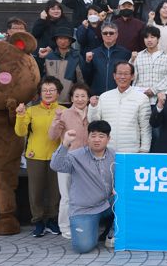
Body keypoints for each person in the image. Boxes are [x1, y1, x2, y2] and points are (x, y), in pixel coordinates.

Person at [50, 120, 116, 253]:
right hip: (84, 209)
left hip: (107, 204)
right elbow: (56, 165)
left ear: (108, 139)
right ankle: (91, 227)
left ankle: (112, 232)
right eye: (93, 136)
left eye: (101, 136)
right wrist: (65, 143)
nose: (97, 139)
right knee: (83, 247)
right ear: (88, 137)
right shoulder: (76, 156)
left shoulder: (115, 156)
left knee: (124, 199)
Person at [15, 76, 65, 237]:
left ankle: (52, 220)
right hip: (34, 155)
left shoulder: (64, 111)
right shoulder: (31, 110)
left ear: (58, 93)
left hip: (57, 157)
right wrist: (20, 115)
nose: (48, 93)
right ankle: (38, 221)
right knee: (35, 191)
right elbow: (20, 132)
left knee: (55, 191)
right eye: (45, 90)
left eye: (52, 90)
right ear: (40, 93)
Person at [48, 83, 91, 239]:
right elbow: (52, 136)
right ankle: (64, 226)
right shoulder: (64, 114)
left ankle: (82, 225)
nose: (80, 99)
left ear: (88, 98)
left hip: (87, 161)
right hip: (67, 159)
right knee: (66, 196)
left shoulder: (93, 112)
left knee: (84, 196)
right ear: (71, 98)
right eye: (76, 96)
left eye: (83, 96)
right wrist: (55, 123)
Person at [87, 61, 152, 153]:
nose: (122, 77)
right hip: (106, 150)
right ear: (114, 76)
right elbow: (94, 123)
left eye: (126, 74)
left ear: (132, 76)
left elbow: (145, 127)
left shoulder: (142, 98)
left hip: (131, 150)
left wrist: (144, 149)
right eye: (119, 73)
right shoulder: (104, 96)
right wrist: (93, 107)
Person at [37, 27, 84, 106]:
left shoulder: (76, 57)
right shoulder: (49, 57)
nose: (63, 41)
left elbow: (81, 79)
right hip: (50, 100)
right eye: (60, 38)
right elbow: (44, 77)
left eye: (66, 39)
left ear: (70, 41)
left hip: (69, 101)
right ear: (56, 40)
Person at [82, 23, 132, 95]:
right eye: (105, 33)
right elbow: (86, 76)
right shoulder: (93, 53)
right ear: (102, 35)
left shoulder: (125, 53)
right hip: (97, 95)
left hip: (119, 94)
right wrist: (87, 62)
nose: (108, 35)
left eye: (111, 33)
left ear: (117, 35)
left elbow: (130, 75)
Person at [132, 26, 167, 107]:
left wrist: (153, 90)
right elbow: (132, 76)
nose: (149, 40)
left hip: (160, 100)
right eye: (146, 37)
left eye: (152, 37)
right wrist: (132, 60)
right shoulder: (138, 56)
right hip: (140, 99)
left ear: (158, 39)